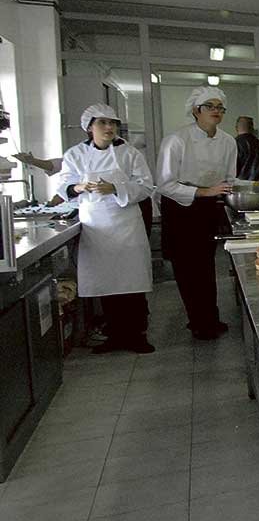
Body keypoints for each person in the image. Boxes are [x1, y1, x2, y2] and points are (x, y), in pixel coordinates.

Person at [158, 86, 259, 339]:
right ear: (196, 110)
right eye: (210, 106)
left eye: (220, 107)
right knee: (187, 270)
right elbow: (165, 184)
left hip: (207, 210)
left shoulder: (227, 142)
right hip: (180, 209)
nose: (216, 111)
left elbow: (230, 180)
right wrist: (204, 192)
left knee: (206, 267)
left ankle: (210, 318)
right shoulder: (176, 140)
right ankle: (198, 322)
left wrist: (255, 184)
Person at [58, 104, 154, 354]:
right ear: (89, 127)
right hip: (96, 226)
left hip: (127, 224)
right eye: (103, 122)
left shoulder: (130, 153)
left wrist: (116, 189)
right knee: (107, 284)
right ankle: (115, 336)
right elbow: (64, 186)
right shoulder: (75, 154)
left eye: (113, 123)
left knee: (132, 282)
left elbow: (146, 187)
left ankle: (137, 335)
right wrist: (80, 187)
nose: (109, 127)